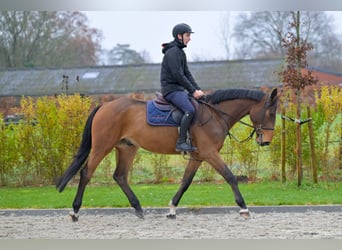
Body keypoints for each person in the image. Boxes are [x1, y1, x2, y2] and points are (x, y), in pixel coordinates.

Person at [160, 23, 205, 152]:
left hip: (179, 90)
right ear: (179, 36)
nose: (189, 38)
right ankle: (181, 142)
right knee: (190, 110)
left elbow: (187, 74)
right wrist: (192, 90)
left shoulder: (180, 52)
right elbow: (178, 75)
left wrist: (198, 90)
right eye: (187, 35)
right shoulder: (173, 52)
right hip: (171, 90)